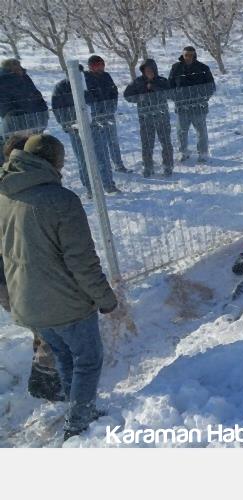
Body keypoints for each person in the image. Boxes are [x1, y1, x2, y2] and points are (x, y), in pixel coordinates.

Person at [0, 134, 118, 441]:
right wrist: (106, 299)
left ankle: (75, 407)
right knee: (88, 359)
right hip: (66, 304)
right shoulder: (61, 201)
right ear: (55, 162)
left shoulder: (5, 194)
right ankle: (78, 423)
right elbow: (82, 261)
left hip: (27, 303)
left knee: (65, 356)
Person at [0, 134, 63, 402]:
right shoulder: (13, 194)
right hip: (12, 277)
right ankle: (44, 380)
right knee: (49, 324)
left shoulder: (11, 189)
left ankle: (45, 374)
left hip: (11, 276)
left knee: (43, 325)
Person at [52, 69, 120, 195]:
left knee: (102, 155)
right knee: (83, 159)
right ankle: (90, 188)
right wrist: (66, 124)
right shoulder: (61, 87)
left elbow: (101, 100)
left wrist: (101, 118)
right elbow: (57, 108)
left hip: (95, 126)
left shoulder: (91, 83)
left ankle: (109, 184)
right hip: (75, 128)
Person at [124, 59, 174, 177]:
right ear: (143, 71)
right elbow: (127, 95)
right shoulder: (137, 82)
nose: (149, 72)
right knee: (147, 144)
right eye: (146, 70)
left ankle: (168, 165)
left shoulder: (162, 81)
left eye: (151, 69)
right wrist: (138, 98)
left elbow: (171, 94)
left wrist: (155, 88)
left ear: (155, 70)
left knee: (166, 142)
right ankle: (148, 166)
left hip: (162, 116)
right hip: (145, 118)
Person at [168, 46, 215, 163]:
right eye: (186, 55)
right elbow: (170, 86)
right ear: (182, 56)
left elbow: (211, 87)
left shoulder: (203, 68)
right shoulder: (176, 68)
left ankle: (203, 153)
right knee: (181, 131)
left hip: (199, 106)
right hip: (182, 107)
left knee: (201, 131)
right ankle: (183, 152)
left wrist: (204, 98)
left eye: (191, 55)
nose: (188, 57)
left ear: (194, 55)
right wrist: (176, 98)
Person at [84, 55, 128, 173]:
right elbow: (86, 96)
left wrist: (112, 106)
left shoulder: (106, 76)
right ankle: (104, 168)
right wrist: (96, 106)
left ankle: (118, 164)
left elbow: (114, 91)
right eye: (95, 65)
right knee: (100, 144)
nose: (99, 68)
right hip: (95, 115)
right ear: (90, 67)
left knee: (113, 140)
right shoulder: (85, 78)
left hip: (109, 113)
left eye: (101, 65)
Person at [0, 59, 48, 165]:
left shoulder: (24, 77)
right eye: (16, 66)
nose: (19, 68)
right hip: (13, 125)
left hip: (33, 121)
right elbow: (4, 104)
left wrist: (43, 111)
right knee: (12, 151)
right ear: (9, 68)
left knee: (33, 150)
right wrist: (15, 115)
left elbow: (36, 95)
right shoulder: (2, 81)